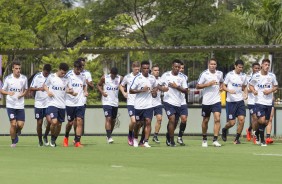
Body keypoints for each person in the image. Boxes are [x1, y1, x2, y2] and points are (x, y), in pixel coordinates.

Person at [249, 58, 278, 146]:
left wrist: (270, 91)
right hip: (259, 101)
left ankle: (257, 132)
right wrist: (254, 91)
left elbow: (276, 86)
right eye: (265, 65)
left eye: (268, 65)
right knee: (261, 120)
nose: (267, 66)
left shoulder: (272, 76)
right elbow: (250, 85)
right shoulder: (256, 76)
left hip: (268, 102)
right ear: (261, 65)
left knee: (266, 122)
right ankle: (262, 140)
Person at [130, 60, 157, 148]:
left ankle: (146, 141)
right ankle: (135, 139)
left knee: (148, 122)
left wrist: (154, 92)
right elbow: (131, 90)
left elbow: (155, 90)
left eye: (147, 68)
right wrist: (142, 90)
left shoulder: (152, 78)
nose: (146, 70)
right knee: (138, 124)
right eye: (144, 68)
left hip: (149, 105)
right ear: (141, 68)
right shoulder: (137, 78)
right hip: (139, 105)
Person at [196, 58, 223, 147]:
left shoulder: (220, 73)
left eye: (214, 64)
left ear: (216, 65)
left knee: (217, 118)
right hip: (206, 101)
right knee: (205, 120)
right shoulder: (204, 74)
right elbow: (198, 86)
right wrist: (207, 84)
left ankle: (215, 140)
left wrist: (221, 87)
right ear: (208, 64)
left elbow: (222, 82)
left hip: (216, 100)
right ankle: (204, 139)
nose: (213, 66)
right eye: (211, 64)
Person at [161, 59, 188, 147]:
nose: (177, 68)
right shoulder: (166, 75)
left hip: (178, 102)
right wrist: (163, 88)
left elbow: (186, 90)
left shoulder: (182, 77)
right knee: (172, 119)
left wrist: (177, 87)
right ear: (172, 66)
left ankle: (168, 136)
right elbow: (158, 85)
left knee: (175, 122)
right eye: (175, 66)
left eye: (178, 67)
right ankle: (172, 141)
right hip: (168, 101)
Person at [1, 61, 28, 148]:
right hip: (11, 105)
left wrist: (23, 94)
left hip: (20, 105)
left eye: (19, 68)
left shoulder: (24, 78)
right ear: (13, 69)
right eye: (16, 68)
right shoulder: (8, 79)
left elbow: (26, 90)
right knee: (13, 124)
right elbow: (2, 90)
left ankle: (16, 132)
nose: (18, 70)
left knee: (20, 125)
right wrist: (8, 93)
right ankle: (13, 142)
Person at [221, 59, 248, 144]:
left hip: (240, 101)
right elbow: (223, 86)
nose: (241, 69)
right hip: (231, 101)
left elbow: (244, 86)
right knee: (232, 123)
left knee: (242, 120)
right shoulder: (229, 75)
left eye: (242, 67)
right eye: (239, 67)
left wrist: (246, 93)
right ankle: (224, 129)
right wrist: (229, 90)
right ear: (235, 66)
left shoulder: (243, 76)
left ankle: (237, 138)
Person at [44, 63, 70, 147]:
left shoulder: (66, 79)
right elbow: (44, 85)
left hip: (62, 105)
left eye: (65, 73)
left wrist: (72, 92)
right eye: (62, 72)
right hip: (52, 103)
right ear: (58, 69)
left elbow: (68, 89)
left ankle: (53, 139)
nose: (63, 74)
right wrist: (48, 92)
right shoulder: (51, 77)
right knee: (54, 122)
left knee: (59, 125)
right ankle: (51, 137)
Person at [63, 60, 88, 147]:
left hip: (80, 102)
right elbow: (63, 88)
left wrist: (85, 92)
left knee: (79, 121)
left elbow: (84, 85)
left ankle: (77, 141)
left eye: (80, 68)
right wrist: (69, 92)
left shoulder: (83, 76)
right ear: (74, 67)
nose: (79, 70)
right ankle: (66, 137)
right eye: (77, 68)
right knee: (70, 123)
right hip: (70, 102)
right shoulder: (68, 76)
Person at [97, 67, 123, 144]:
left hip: (115, 102)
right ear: (110, 73)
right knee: (108, 118)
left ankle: (109, 134)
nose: (113, 76)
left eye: (115, 75)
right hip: (106, 102)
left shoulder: (120, 78)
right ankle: (109, 137)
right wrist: (102, 92)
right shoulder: (105, 78)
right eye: (112, 74)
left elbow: (125, 83)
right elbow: (98, 85)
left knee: (113, 120)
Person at [29, 64, 52, 146]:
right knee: (39, 123)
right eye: (46, 73)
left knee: (50, 121)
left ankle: (45, 136)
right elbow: (31, 88)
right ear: (43, 70)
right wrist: (38, 89)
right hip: (39, 103)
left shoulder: (51, 77)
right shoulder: (37, 76)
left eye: (48, 73)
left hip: (48, 103)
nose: (47, 75)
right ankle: (40, 140)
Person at [119, 61, 140, 146]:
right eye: (136, 69)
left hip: (139, 103)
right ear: (132, 68)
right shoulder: (127, 77)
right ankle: (130, 134)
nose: (137, 71)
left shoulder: (141, 77)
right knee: (133, 121)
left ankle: (135, 138)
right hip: (131, 102)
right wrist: (124, 93)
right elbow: (121, 85)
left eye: (138, 69)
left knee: (138, 123)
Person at [245, 62, 260, 143]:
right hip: (251, 101)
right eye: (255, 68)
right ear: (252, 68)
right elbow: (246, 89)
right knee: (255, 118)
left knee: (259, 119)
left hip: (259, 101)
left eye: (258, 68)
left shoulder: (261, 77)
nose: (257, 70)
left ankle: (249, 129)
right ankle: (255, 136)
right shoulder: (248, 78)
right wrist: (253, 90)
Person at [176, 61, 189, 146]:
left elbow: (185, 89)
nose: (181, 69)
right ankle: (169, 136)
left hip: (182, 101)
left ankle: (180, 137)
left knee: (184, 119)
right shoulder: (169, 76)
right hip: (174, 101)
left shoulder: (185, 77)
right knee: (174, 121)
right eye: (179, 68)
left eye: (182, 68)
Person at [151, 64, 163, 144]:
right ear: (152, 71)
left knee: (159, 119)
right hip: (148, 103)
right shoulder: (148, 79)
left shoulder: (161, 80)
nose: (157, 72)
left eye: (158, 70)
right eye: (155, 70)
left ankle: (155, 135)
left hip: (158, 103)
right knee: (146, 121)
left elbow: (164, 88)